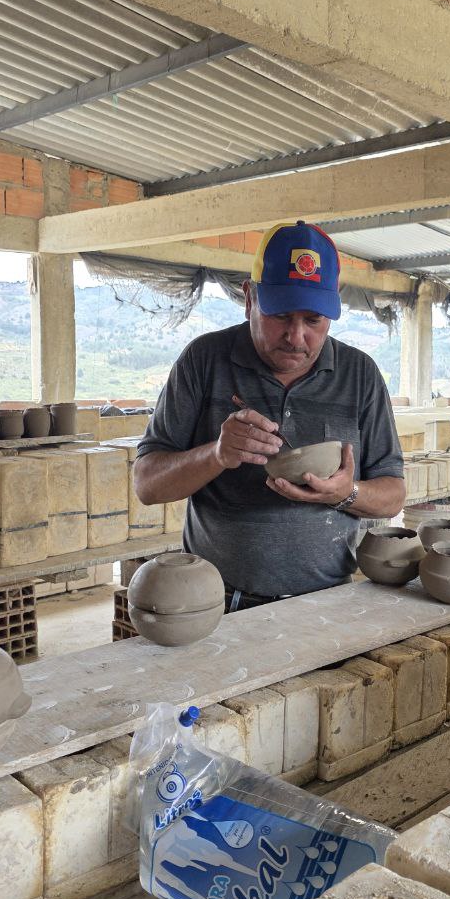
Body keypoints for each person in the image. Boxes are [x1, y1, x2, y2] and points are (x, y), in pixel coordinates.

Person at [134, 221, 406, 611]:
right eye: (280, 315)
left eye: (313, 320)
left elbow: (393, 495)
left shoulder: (360, 375)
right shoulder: (203, 360)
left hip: (328, 601)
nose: (295, 337)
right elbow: (147, 485)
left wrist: (345, 494)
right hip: (215, 603)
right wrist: (217, 454)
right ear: (250, 299)